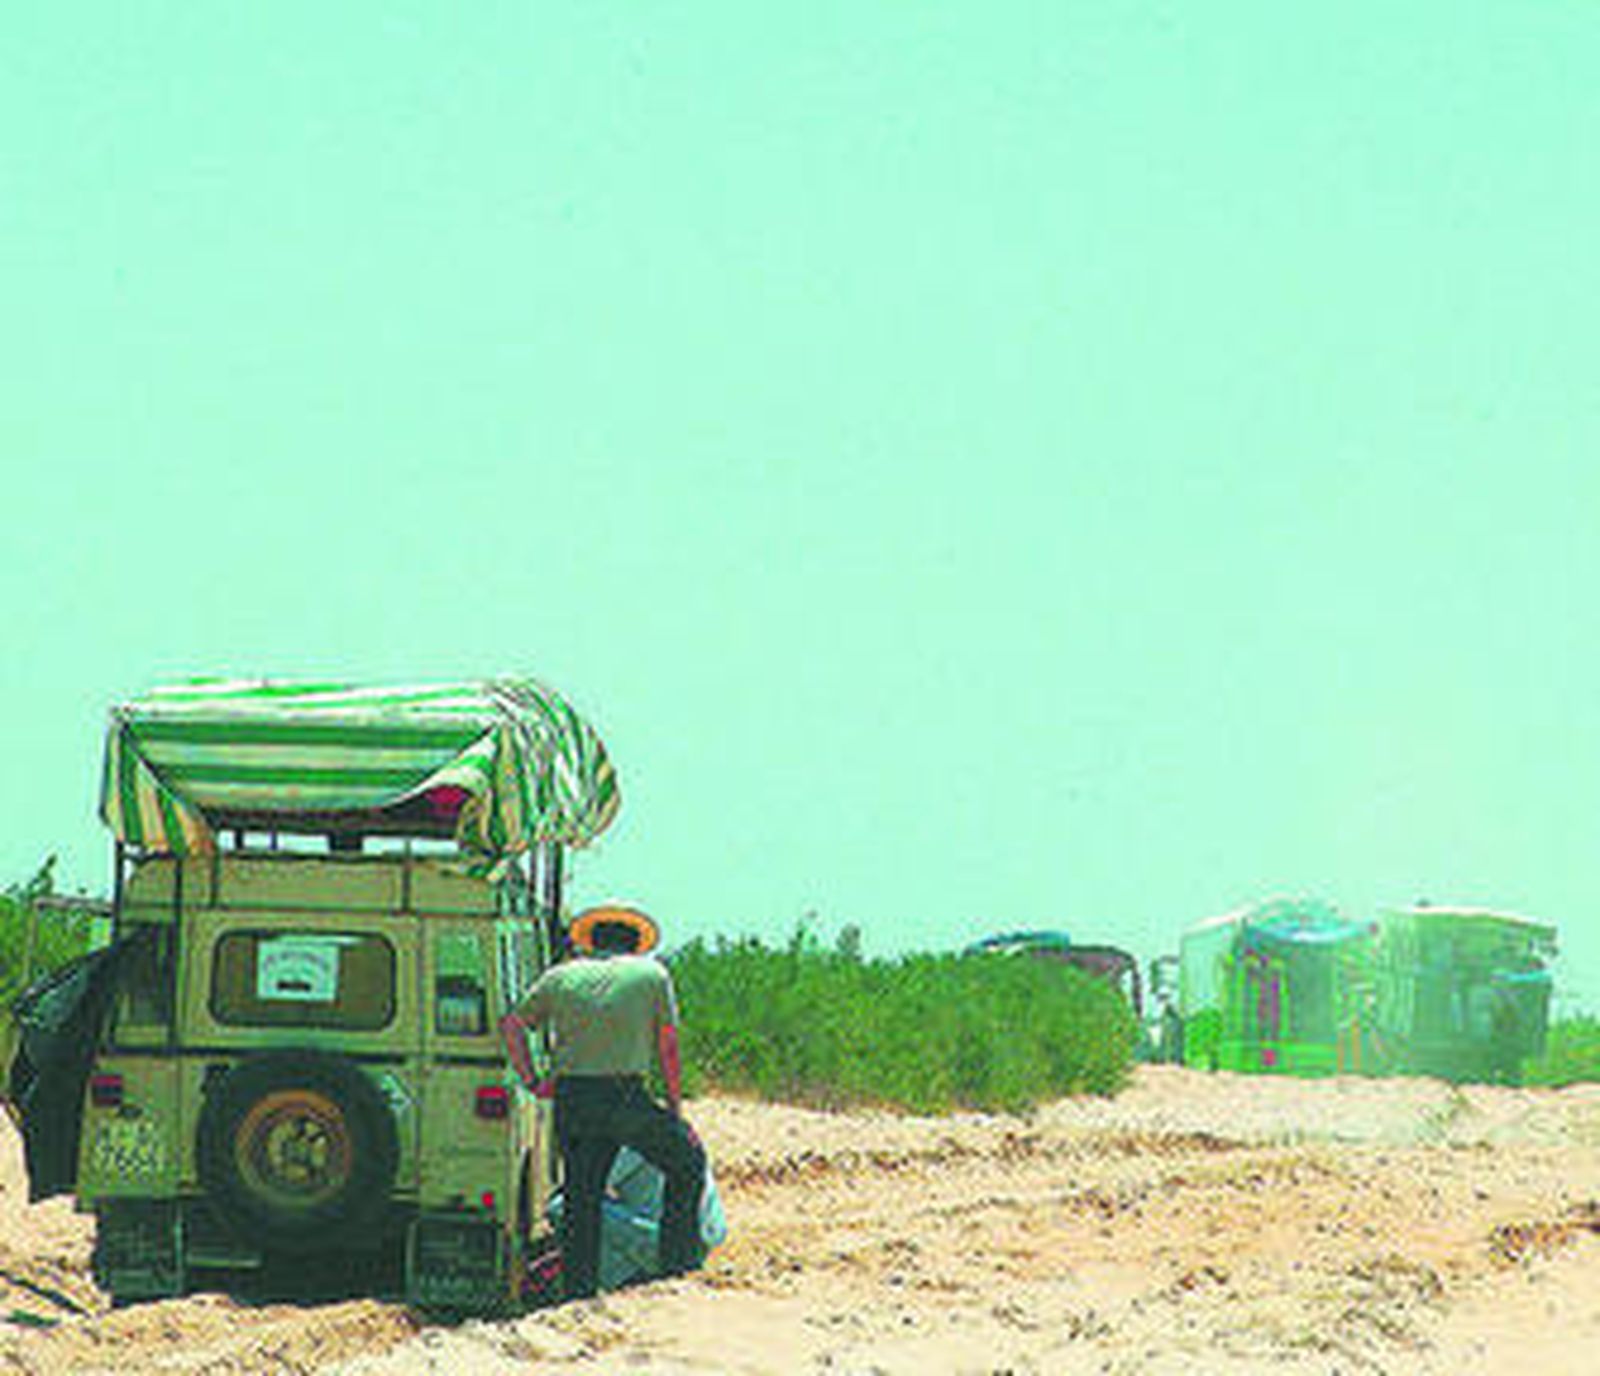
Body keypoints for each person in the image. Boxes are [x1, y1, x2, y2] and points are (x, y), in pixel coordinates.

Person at [499, 904, 706, 1300]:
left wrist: (532, 1080)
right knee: (686, 1163)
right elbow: (668, 1046)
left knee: (582, 1194)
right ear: (635, 945)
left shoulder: (559, 977)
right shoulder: (651, 974)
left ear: (591, 942)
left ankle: (579, 1292)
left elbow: (512, 1024)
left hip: (574, 1097)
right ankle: (677, 1270)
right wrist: (675, 1108)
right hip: (625, 1094)